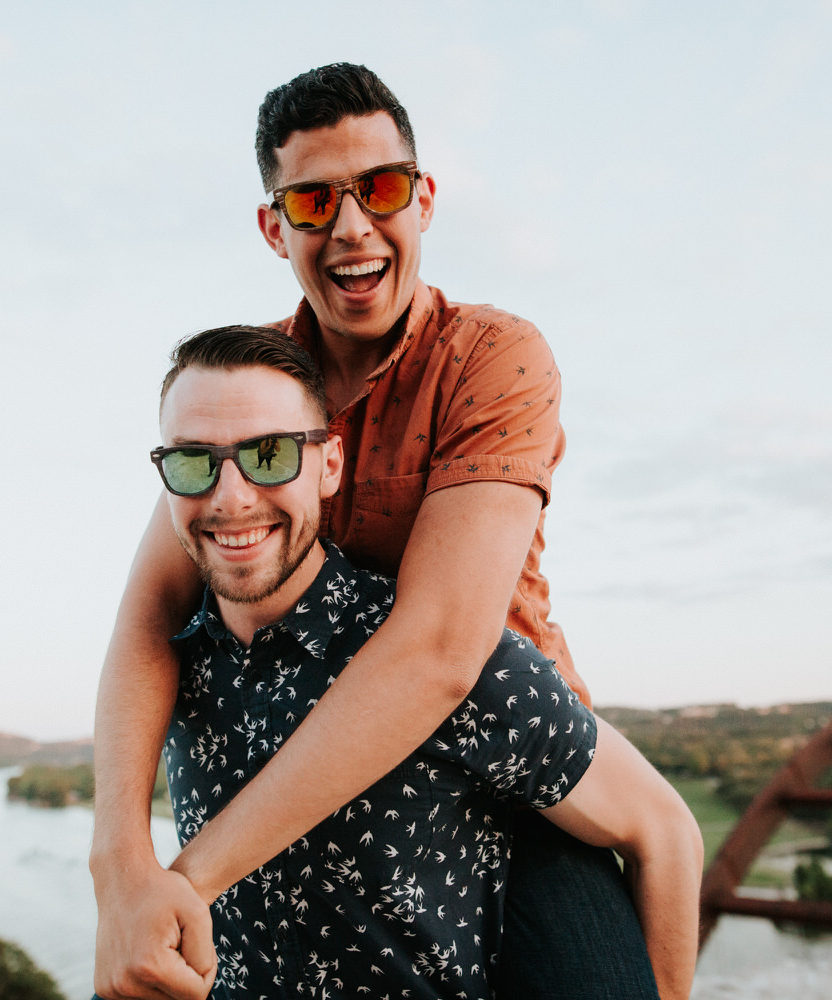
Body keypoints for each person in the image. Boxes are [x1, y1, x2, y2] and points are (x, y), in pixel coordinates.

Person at [90, 64, 674, 1000]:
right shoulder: (257, 395)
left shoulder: (491, 357)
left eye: (383, 189)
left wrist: (184, 880)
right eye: (315, 200)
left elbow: (442, 651)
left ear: (425, 199)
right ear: (273, 226)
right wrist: (118, 861)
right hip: (312, 753)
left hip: (502, 759)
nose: (353, 226)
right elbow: (148, 619)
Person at [136, 324, 702, 999]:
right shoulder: (170, 667)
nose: (231, 497)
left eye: (269, 455)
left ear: (331, 466)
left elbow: (664, 832)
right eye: (195, 461)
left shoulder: (453, 662)